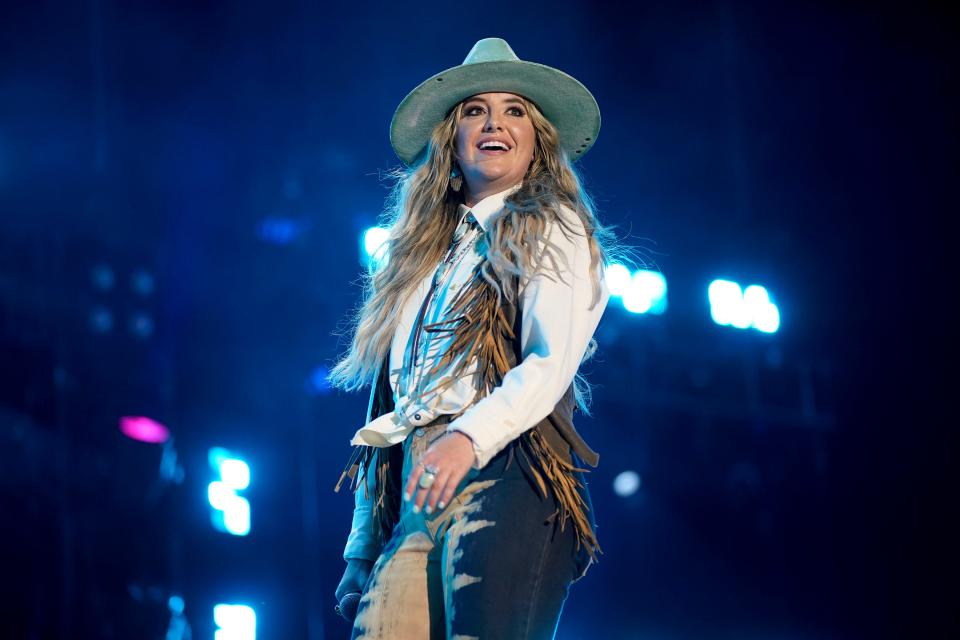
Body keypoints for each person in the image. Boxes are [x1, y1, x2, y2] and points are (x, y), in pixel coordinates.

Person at [329, 37, 619, 639]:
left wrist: (468, 436)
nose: (494, 122)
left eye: (514, 110)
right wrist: (363, 544)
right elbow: (388, 409)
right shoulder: (418, 260)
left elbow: (549, 362)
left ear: (537, 137)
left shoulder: (552, 224)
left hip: (505, 467)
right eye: (474, 110)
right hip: (416, 492)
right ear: (451, 138)